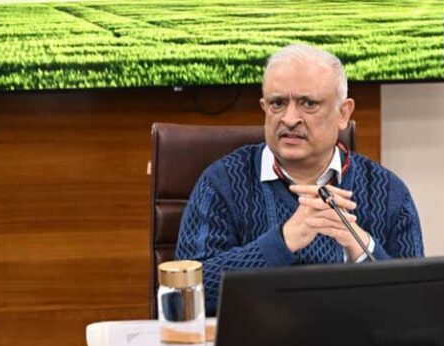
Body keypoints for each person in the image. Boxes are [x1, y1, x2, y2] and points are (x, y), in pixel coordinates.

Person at [176, 44, 423, 314]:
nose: (290, 119)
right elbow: (184, 296)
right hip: (256, 338)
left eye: (309, 104)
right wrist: (282, 241)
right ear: (264, 108)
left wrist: (363, 250)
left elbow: (416, 306)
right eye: (278, 103)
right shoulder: (221, 183)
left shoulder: (387, 191)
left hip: (354, 338)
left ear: (343, 113)